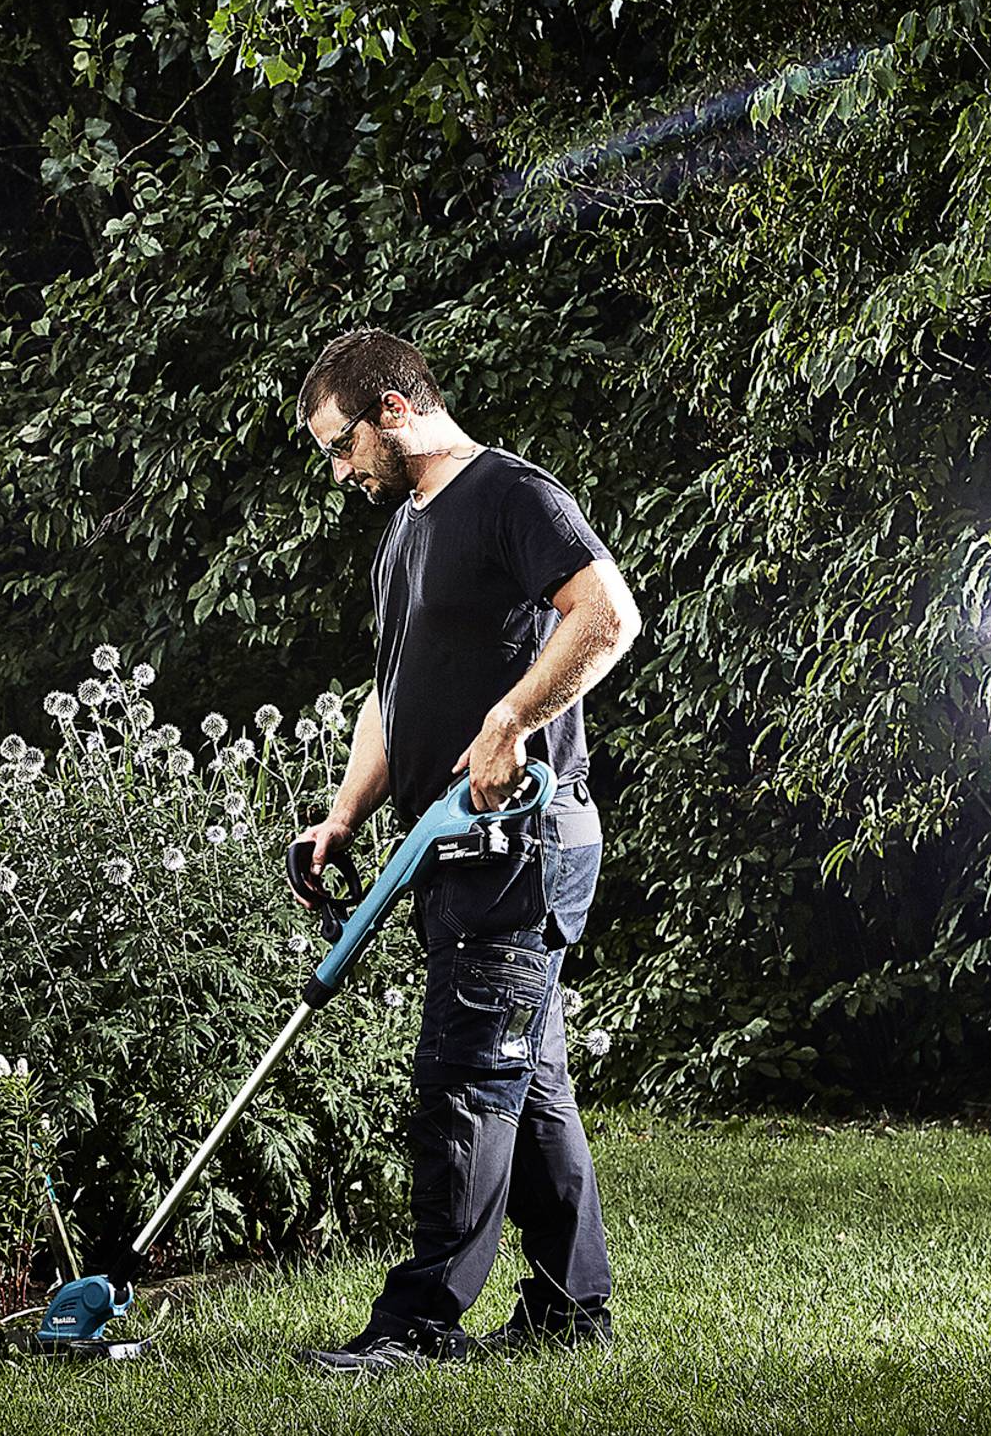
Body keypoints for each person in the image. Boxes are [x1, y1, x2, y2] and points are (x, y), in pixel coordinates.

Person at [290, 326, 642, 1375]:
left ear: (391, 410)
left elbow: (607, 614)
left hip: (519, 833)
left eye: (340, 445)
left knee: (460, 1075)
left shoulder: (510, 496)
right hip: (450, 844)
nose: (341, 470)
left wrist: (509, 722)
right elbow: (390, 695)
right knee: (525, 1079)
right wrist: (344, 814)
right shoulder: (403, 533)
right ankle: (570, 1309)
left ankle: (415, 1322)